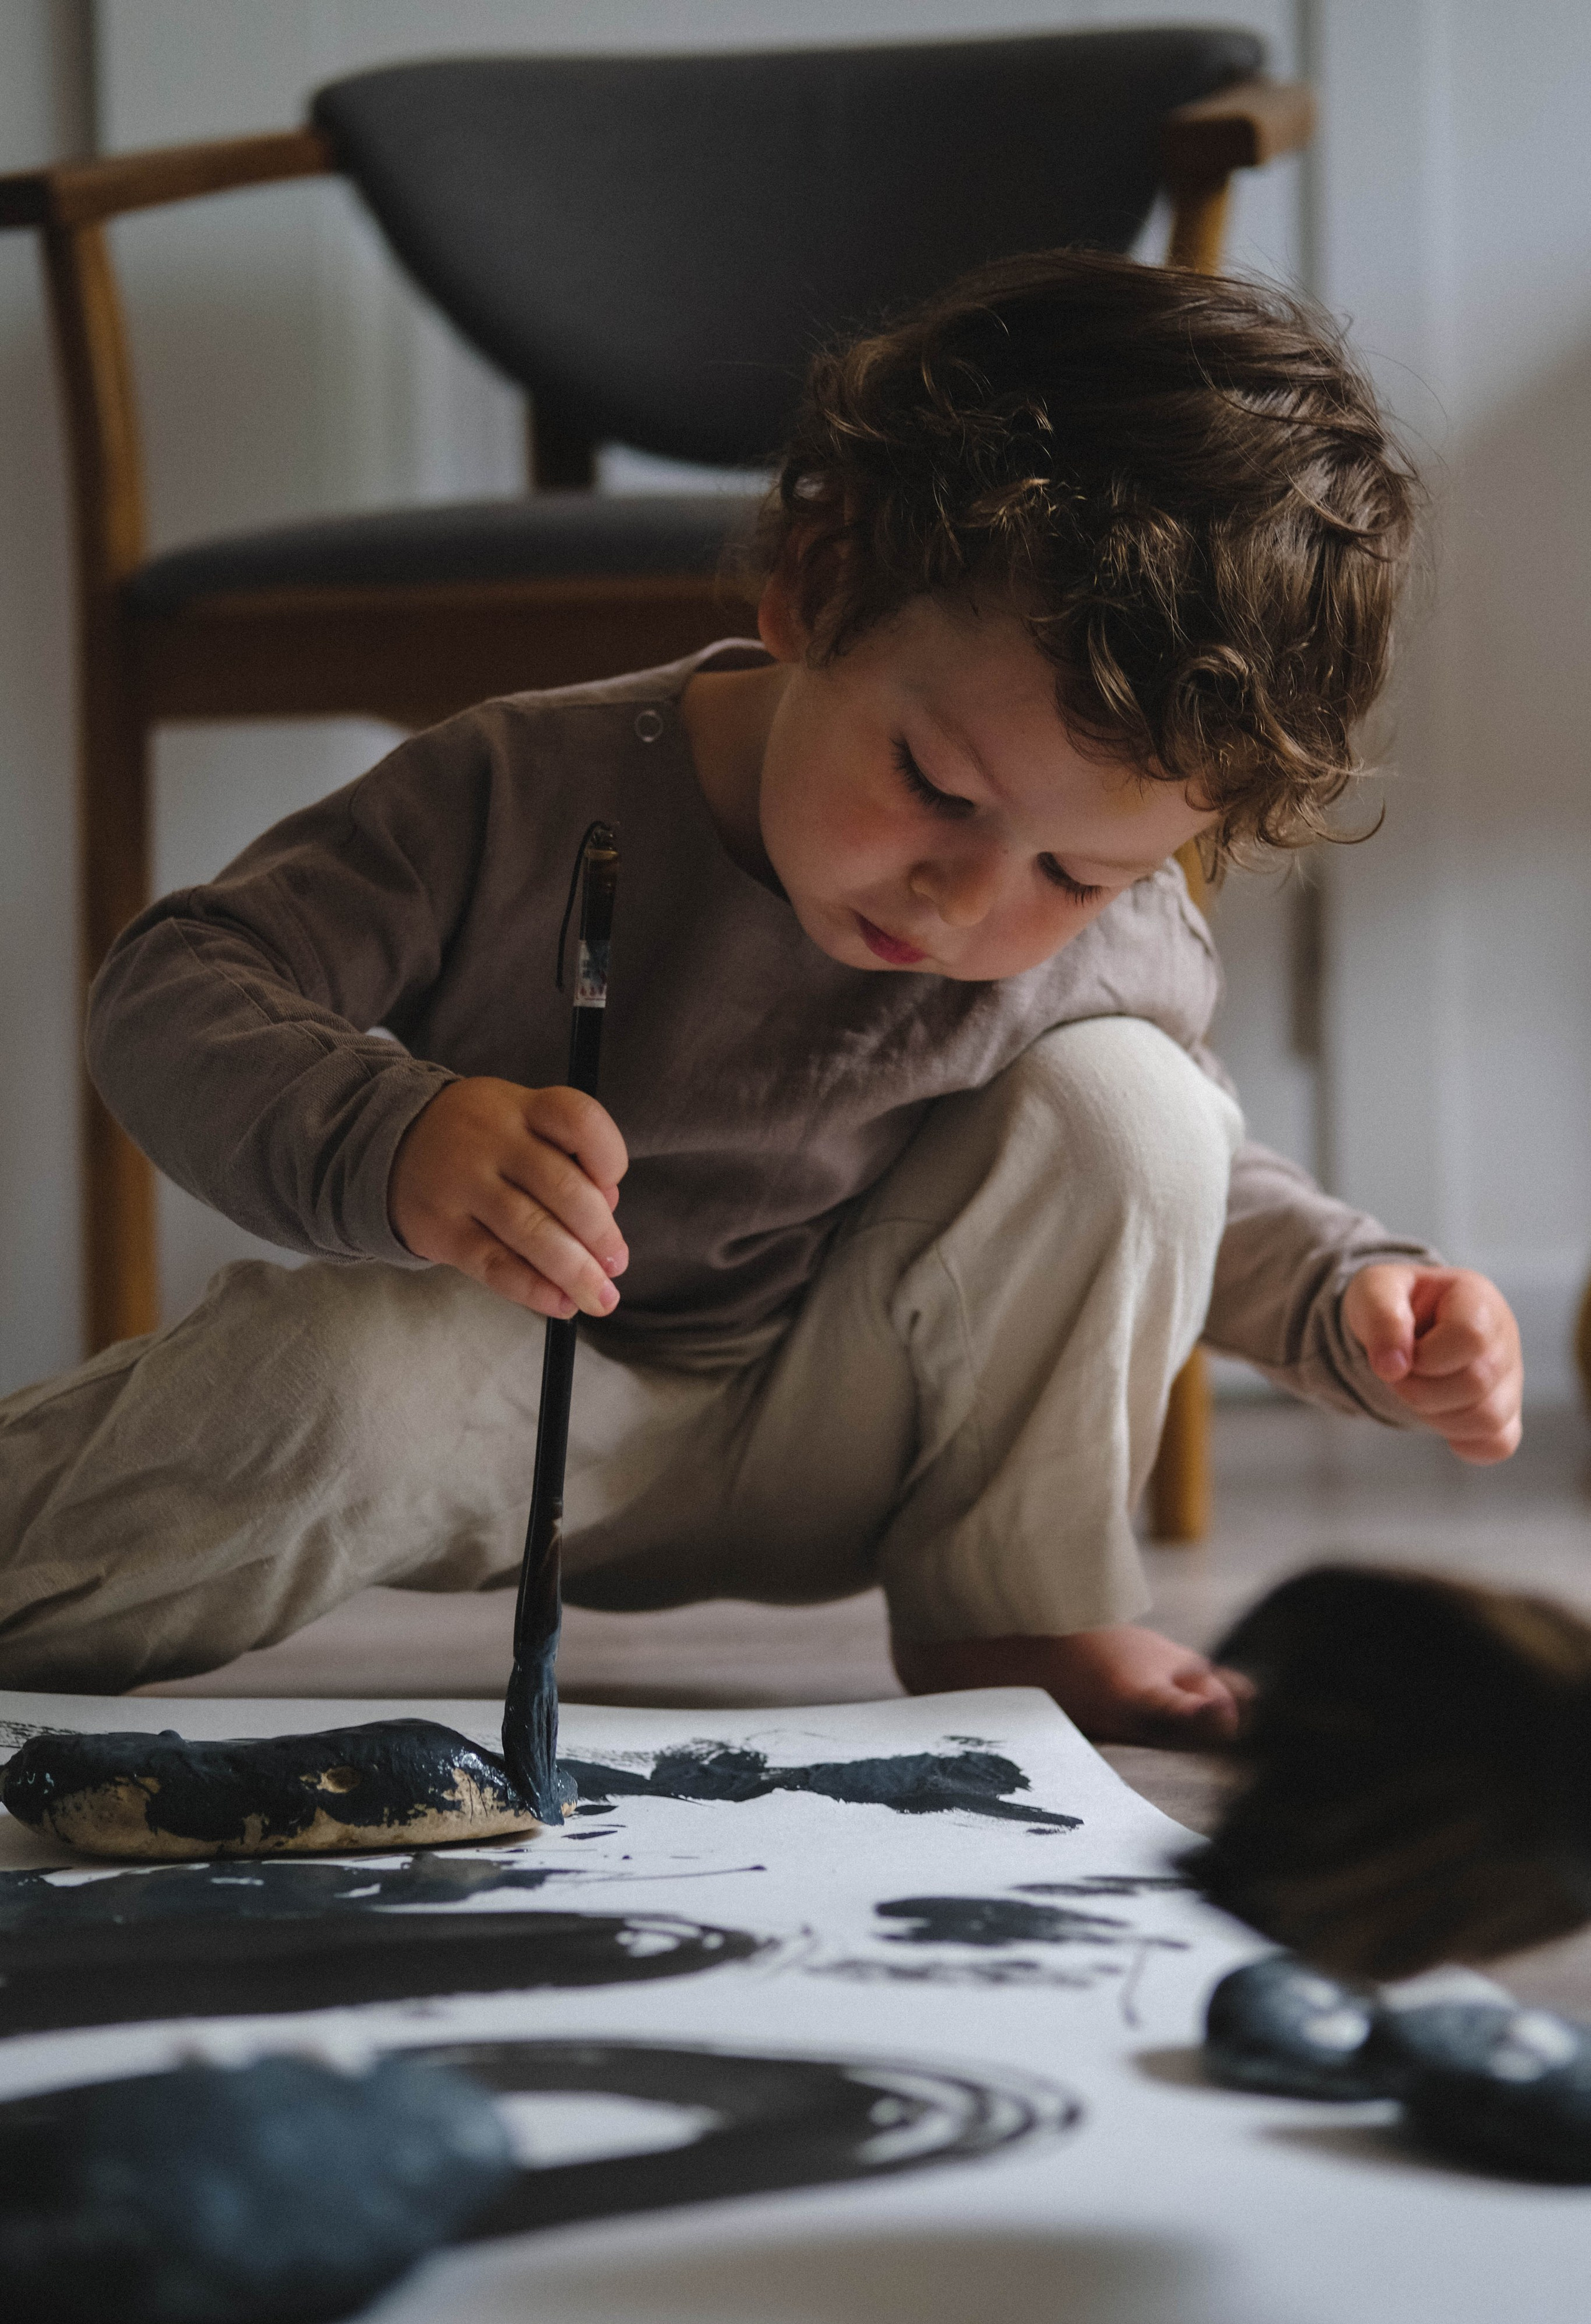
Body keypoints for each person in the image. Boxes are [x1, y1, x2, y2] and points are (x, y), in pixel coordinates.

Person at [0, 252, 1522, 1745]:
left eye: (1073, 870)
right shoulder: (519, 787)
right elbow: (177, 983)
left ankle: (1015, 1611)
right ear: (819, 583)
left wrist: (1343, 1293)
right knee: (312, 1386)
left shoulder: (1116, 929)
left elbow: (1169, 1187)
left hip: (849, 1423)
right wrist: (387, 1136)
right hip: (510, 1394)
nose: (967, 903)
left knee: (1135, 1101)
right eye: (935, 787)